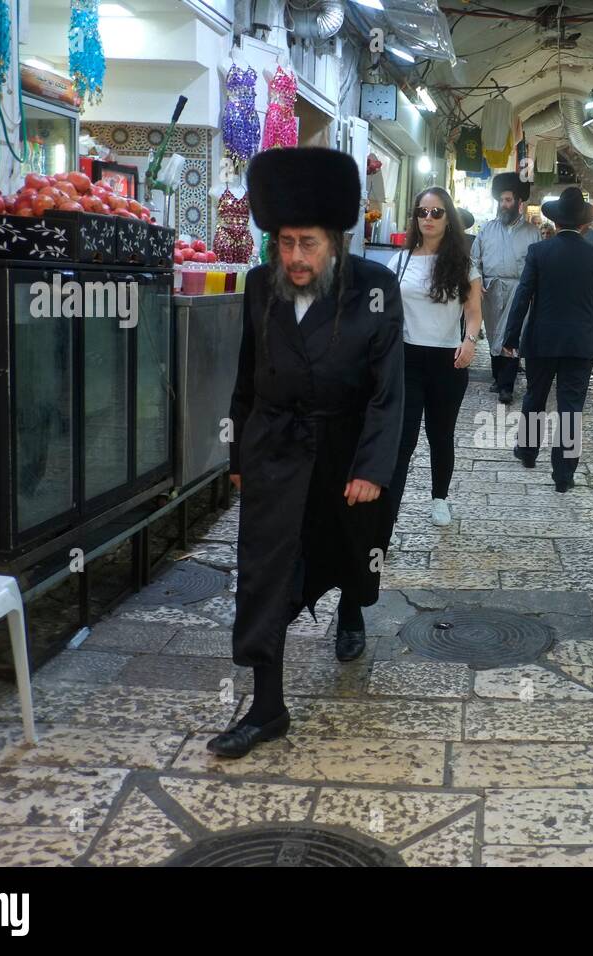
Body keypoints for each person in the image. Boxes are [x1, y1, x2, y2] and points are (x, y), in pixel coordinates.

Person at [211, 147, 404, 759]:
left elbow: (387, 390)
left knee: (353, 549)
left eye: (309, 244)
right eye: (286, 242)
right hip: (275, 448)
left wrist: (373, 468)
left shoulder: (375, 288)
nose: (295, 258)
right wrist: (239, 454)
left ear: (337, 242)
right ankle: (267, 706)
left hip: (347, 450)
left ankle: (352, 609)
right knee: (266, 574)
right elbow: (247, 374)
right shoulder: (258, 284)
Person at [384, 186, 483, 530]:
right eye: (422, 212)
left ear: (448, 219)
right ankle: (389, 515)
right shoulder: (401, 260)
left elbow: (473, 312)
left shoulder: (463, 264)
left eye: (436, 212)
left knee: (440, 435)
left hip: (448, 361)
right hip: (407, 360)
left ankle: (439, 498)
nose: (428, 218)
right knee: (403, 440)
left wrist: (469, 341)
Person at [502, 187, 593, 492]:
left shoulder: (539, 252)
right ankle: (564, 474)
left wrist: (511, 336)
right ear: (584, 224)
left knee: (535, 397)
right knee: (571, 408)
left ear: (557, 223)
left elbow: (523, 296)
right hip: (580, 344)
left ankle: (527, 452)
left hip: (541, 339)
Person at [471, 172, 536, 405]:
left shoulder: (531, 232)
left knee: (511, 334)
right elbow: (473, 261)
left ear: (519, 202)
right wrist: (477, 282)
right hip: (490, 288)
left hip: (518, 290)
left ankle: (506, 386)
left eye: (508, 200)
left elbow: (537, 265)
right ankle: (498, 377)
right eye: (501, 200)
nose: (504, 205)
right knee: (493, 334)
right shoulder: (486, 230)